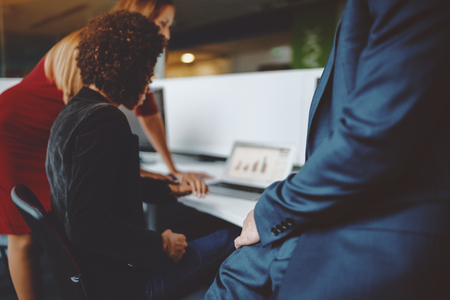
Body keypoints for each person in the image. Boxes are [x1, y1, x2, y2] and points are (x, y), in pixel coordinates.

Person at [205, 0, 450, 299]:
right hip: (346, 207)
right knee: (235, 270)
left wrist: (271, 211)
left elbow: (374, 135)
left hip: (377, 230)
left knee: (236, 272)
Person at [0, 1, 207, 299]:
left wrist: (170, 171)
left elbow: (147, 112)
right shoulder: (99, 58)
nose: (167, 33)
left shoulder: (127, 63)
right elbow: (89, 135)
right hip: (16, 126)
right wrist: (158, 243)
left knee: (64, 213)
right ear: (141, 16)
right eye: (162, 23)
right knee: (24, 237)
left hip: (56, 129)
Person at [46, 10, 238, 300]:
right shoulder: (105, 120)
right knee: (228, 237)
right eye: (147, 69)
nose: (149, 83)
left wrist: (170, 189)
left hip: (89, 277)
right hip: (124, 286)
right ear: (128, 66)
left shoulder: (73, 112)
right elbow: (86, 222)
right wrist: (160, 245)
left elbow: (106, 186)